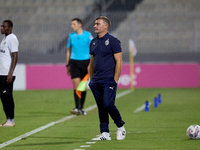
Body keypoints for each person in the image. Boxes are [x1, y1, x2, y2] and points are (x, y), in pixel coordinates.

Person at [89, 16, 126, 140]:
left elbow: (119, 62)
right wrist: (91, 80)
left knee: (108, 104)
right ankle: (105, 133)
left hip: (108, 80)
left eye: (97, 24)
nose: (95, 26)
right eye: (95, 24)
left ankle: (120, 126)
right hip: (96, 81)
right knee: (101, 107)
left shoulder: (113, 41)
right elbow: (92, 63)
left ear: (105, 26)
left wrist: (115, 80)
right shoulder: (93, 42)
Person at [66, 18, 93, 115]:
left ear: (79, 25)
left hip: (86, 63)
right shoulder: (71, 36)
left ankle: (81, 108)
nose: (72, 26)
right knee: (76, 85)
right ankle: (77, 107)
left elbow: (93, 50)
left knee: (83, 87)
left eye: (73, 24)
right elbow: (69, 50)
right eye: (72, 24)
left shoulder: (88, 35)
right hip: (74, 62)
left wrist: (91, 64)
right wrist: (67, 64)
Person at [0, 20, 19, 127]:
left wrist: (10, 73)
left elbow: (15, 56)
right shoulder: (4, 39)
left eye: (4, 26)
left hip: (7, 73)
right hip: (2, 73)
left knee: (7, 95)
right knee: (3, 96)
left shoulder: (12, 39)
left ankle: (11, 120)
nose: (1, 28)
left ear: (10, 28)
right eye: (1, 26)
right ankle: (8, 119)